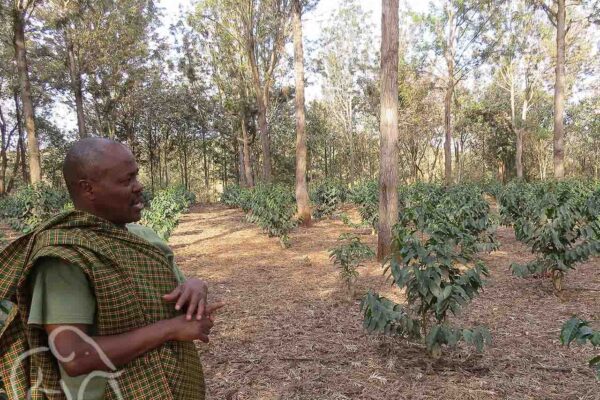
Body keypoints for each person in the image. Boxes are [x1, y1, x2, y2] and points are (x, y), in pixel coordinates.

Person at [0, 138, 222, 400]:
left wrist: (197, 286)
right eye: (125, 180)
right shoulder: (65, 258)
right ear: (88, 189)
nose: (138, 186)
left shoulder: (145, 238)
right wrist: (170, 329)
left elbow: (179, 293)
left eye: (136, 176)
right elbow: (74, 356)